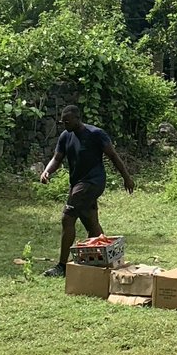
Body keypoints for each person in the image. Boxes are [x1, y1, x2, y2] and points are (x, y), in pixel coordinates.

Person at [39, 105, 135, 277]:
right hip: (77, 184)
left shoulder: (96, 134)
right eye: (62, 122)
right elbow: (57, 157)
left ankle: (62, 266)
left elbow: (113, 155)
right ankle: (106, 258)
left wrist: (126, 177)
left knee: (67, 218)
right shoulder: (65, 136)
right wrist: (47, 171)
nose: (64, 124)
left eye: (67, 121)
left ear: (77, 118)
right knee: (92, 224)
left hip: (93, 182)